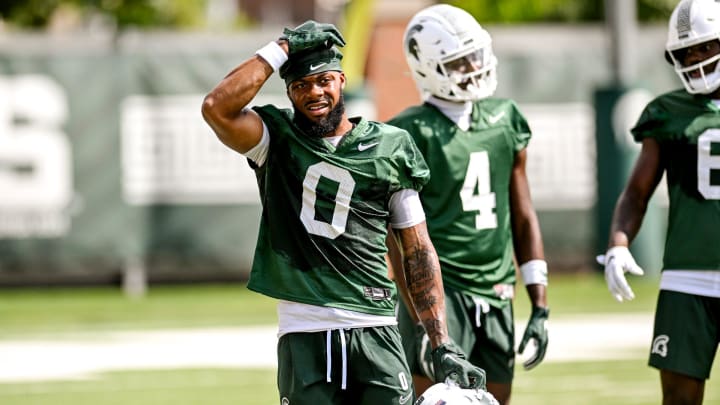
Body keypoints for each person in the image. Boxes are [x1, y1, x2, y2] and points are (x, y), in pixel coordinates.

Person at [200, 20, 485, 404]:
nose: (314, 92)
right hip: (304, 331)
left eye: (324, 80)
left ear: (342, 80)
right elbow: (217, 106)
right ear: (288, 92)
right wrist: (281, 47)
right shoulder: (276, 138)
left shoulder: (391, 146)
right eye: (300, 85)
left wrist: (442, 342)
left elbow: (417, 251)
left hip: (376, 328)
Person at [386, 5, 549, 405]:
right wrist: (423, 317)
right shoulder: (409, 131)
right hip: (442, 292)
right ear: (427, 68)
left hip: (497, 290)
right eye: (458, 62)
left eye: (474, 55)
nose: (473, 67)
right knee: (439, 401)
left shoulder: (505, 118)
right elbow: (396, 238)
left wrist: (539, 304)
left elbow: (524, 214)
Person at [599, 0, 720, 403]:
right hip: (686, 277)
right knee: (679, 399)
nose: (696, 59)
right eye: (686, 52)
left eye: (705, 47)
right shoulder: (667, 112)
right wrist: (618, 243)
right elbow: (636, 192)